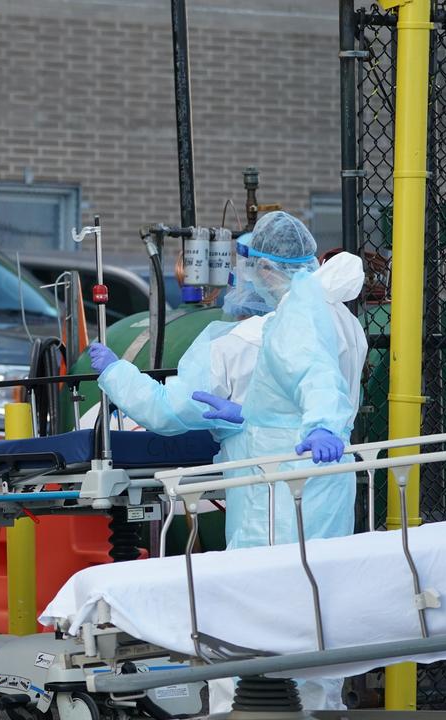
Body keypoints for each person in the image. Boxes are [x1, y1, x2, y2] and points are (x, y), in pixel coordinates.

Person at [88, 211, 367, 711]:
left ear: (264, 267)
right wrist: (250, 414)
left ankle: (248, 708)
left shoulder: (286, 320)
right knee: (316, 614)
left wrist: (116, 375)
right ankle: (320, 708)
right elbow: (301, 391)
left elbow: (170, 410)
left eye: (248, 264)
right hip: (322, 487)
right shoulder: (336, 312)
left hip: (276, 494)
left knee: (257, 619)